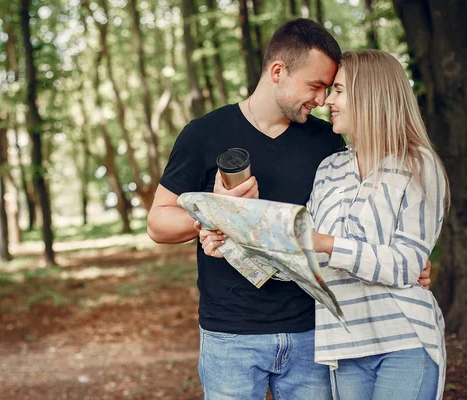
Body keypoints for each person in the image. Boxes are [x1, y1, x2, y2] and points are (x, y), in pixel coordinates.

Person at [148, 18, 430, 399]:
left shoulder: (327, 143)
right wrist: (216, 213)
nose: (321, 100)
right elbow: (158, 223)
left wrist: (405, 257)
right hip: (231, 335)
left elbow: (357, 218)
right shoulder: (203, 134)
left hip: (314, 333)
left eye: (329, 89)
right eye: (315, 86)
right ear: (278, 71)